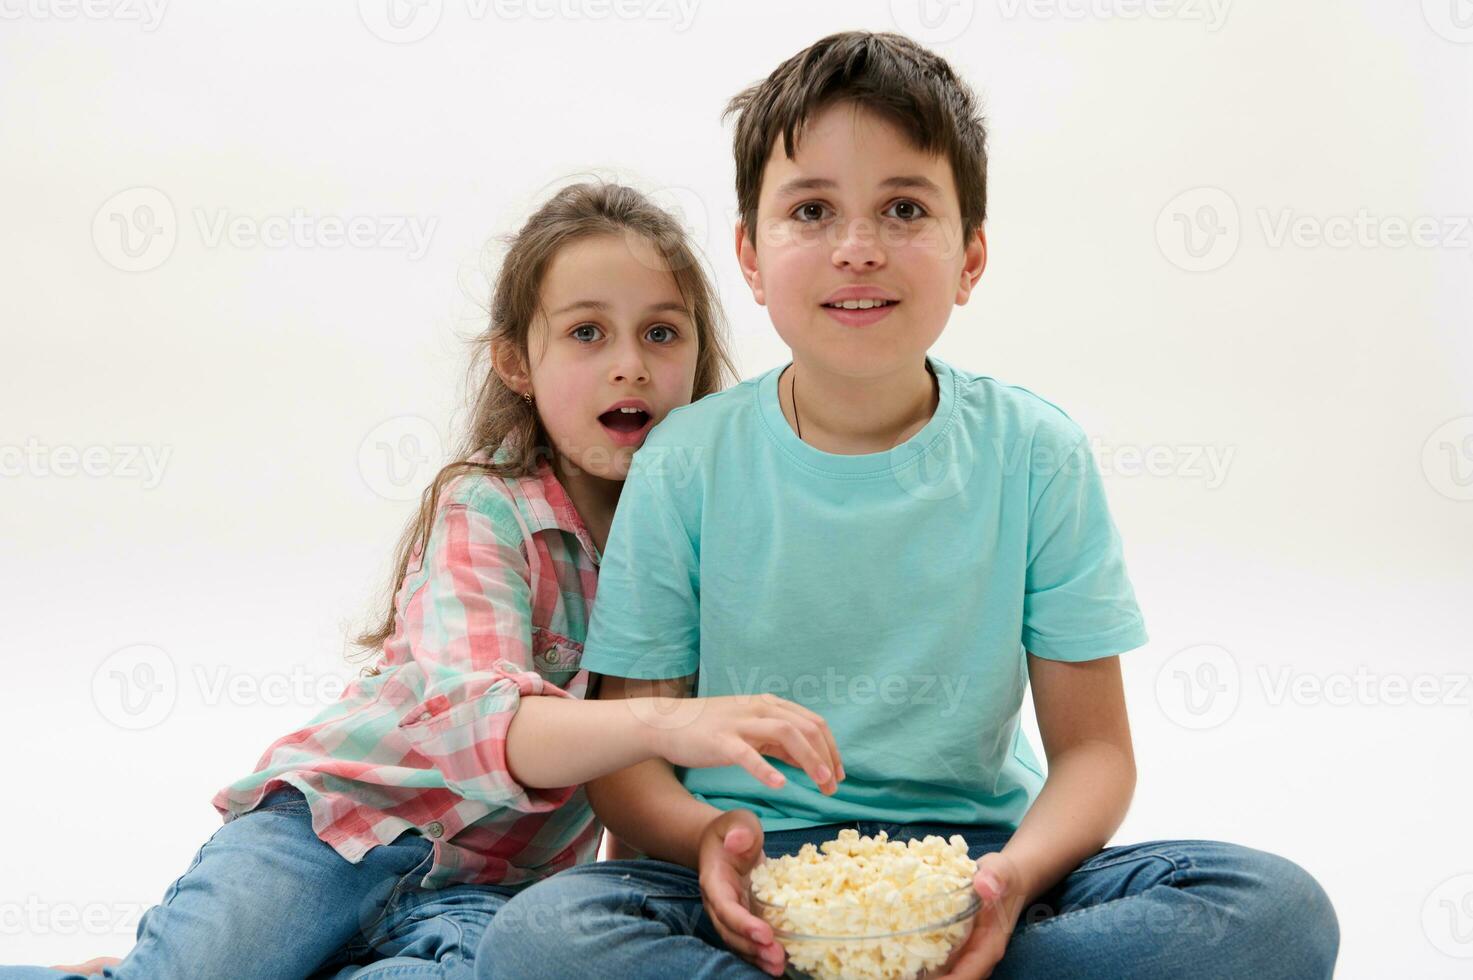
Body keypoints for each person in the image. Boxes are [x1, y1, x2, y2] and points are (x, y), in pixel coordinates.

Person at [476, 33, 1340, 980]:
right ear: (750, 258)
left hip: (974, 867)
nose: (857, 250)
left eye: (902, 209)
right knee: (539, 940)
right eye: (811, 210)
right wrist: (714, 844)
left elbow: (1094, 751)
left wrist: (1012, 882)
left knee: (1276, 912)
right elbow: (630, 761)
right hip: (749, 869)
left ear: (969, 256)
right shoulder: (686, 460)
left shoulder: (1033, 455)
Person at [5, 182, 843, 980]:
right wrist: (668, 723)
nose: (629, 364)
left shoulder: (685, 545)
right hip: (337, 836)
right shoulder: (485, 505)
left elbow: (631, 797)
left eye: (661, 333)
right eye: (587, 333)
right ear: (517, 362)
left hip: (489, 892)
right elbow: (482, 722)